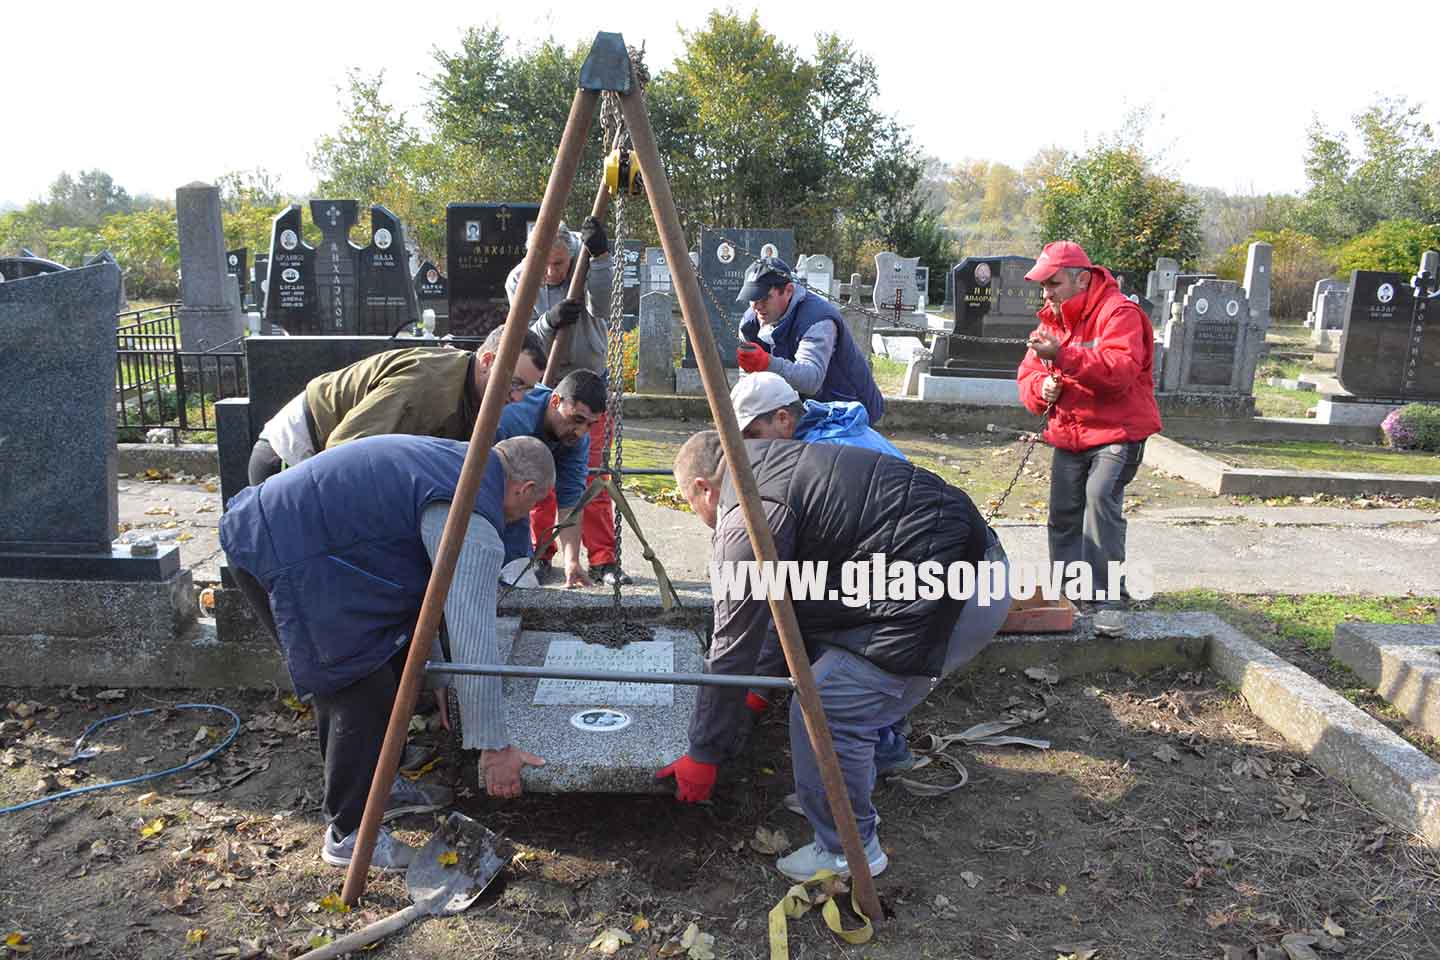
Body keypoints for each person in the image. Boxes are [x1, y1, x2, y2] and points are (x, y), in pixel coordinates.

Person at [656, 432, 1010, 881]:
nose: (703, 520)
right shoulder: (773, 461)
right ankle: (840, 790)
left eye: (692, 505)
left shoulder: (748, 509)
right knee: (831, 681)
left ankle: (848, 848)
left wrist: (704, 753)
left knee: (826, 707)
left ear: (705, 487)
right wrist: (755, 689)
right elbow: (776, 611)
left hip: (953, 595)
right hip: (964, 568)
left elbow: (731, 645)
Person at [220, 435, 555, 871]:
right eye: (531, 508)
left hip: (302, 539)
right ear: (525, 490)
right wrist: (493, 746)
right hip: (283, 548)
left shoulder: (462, 463)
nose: (523, 519)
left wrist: (437, 678)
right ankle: (349, 833)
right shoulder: (469, 509)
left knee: (391, 665)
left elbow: (433, 604)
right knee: (357, 689)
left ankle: (381, 786)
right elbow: (471, 629)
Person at [1016, 241, 1162, 608]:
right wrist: (1041, 387)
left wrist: (1062, 356)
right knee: (1064, 512)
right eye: (1043, 285)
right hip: (1070, 432)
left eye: (1053, 283)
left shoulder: (1119, 313)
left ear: (1082, 280)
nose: (1046, 292)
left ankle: (1104, 595)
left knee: (1099, 501)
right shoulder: (1050, 320)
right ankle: (1068, 593)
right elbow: (1027, 375)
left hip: (1117, 432)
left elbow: (1120, 372)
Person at [248, 327, 549, 485]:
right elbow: (345, 450)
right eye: (516, 383)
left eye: (528, 389)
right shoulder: (426, 387)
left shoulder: (474, 391)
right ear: (487, 361)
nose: (518, 397)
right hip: (292, 457)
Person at [505, 217, 629, 586]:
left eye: (558, 264)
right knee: (537, 471)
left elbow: (607, 308)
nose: (549, 271)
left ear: (571, 256)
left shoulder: (586, 264)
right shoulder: (520, 278)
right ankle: (541, 552)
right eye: (544, 262)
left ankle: (603, 559)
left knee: (591, 473)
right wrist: (548, 322)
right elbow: (522, 333)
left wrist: (602, 259)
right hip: (548, 386)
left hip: (588, 385)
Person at [735, 256, 885, 426]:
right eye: (752, 298)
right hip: (806, 411)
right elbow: (747, 378)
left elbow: (811, 379)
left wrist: (766, 363)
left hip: (851, 412)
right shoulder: (750, 324)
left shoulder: (818, 320)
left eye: (765, 298)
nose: (756, 306)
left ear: (789, 291)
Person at [497, 370, 606, 589]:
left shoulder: (576, 441)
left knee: (519, 581)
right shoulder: (513, 417)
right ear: (555, 401)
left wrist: (571, 562)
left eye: (590, 425)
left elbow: (570, 502)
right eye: (577, 420)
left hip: (516, 502)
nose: (581, 432)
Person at [731, 371, 902, 458]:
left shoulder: (818, 454)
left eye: (753, 434)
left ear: (783, 418)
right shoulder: (832, 424)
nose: (747, 445)